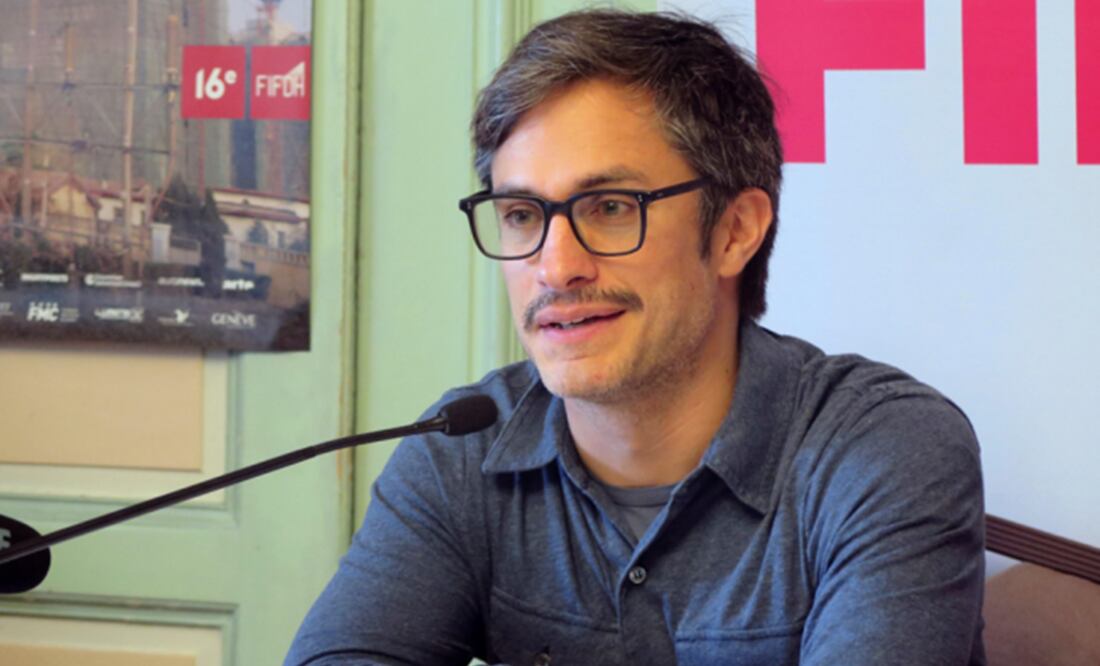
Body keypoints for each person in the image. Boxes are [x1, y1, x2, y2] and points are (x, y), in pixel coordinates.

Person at [286, 9, 985, 665]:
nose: (555, 267)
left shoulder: (882, 449)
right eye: (522, 215)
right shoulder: (461, 449)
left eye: (612, 208)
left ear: (735, 231)